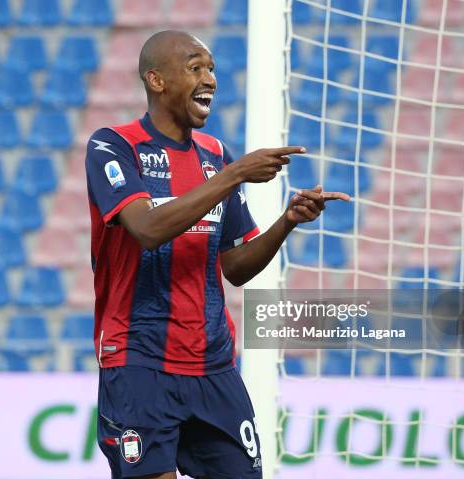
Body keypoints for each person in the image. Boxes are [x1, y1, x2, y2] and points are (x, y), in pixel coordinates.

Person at [85, 30, 350, 479]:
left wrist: (287, 222)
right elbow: (148, 230)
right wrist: (237, 174)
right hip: (140, 363)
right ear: (157, 80)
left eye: (211, 69)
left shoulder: (214, 155)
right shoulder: (114, 146)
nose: (209, 79)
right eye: (195, 68)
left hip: (213, 366)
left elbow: (236, 267)